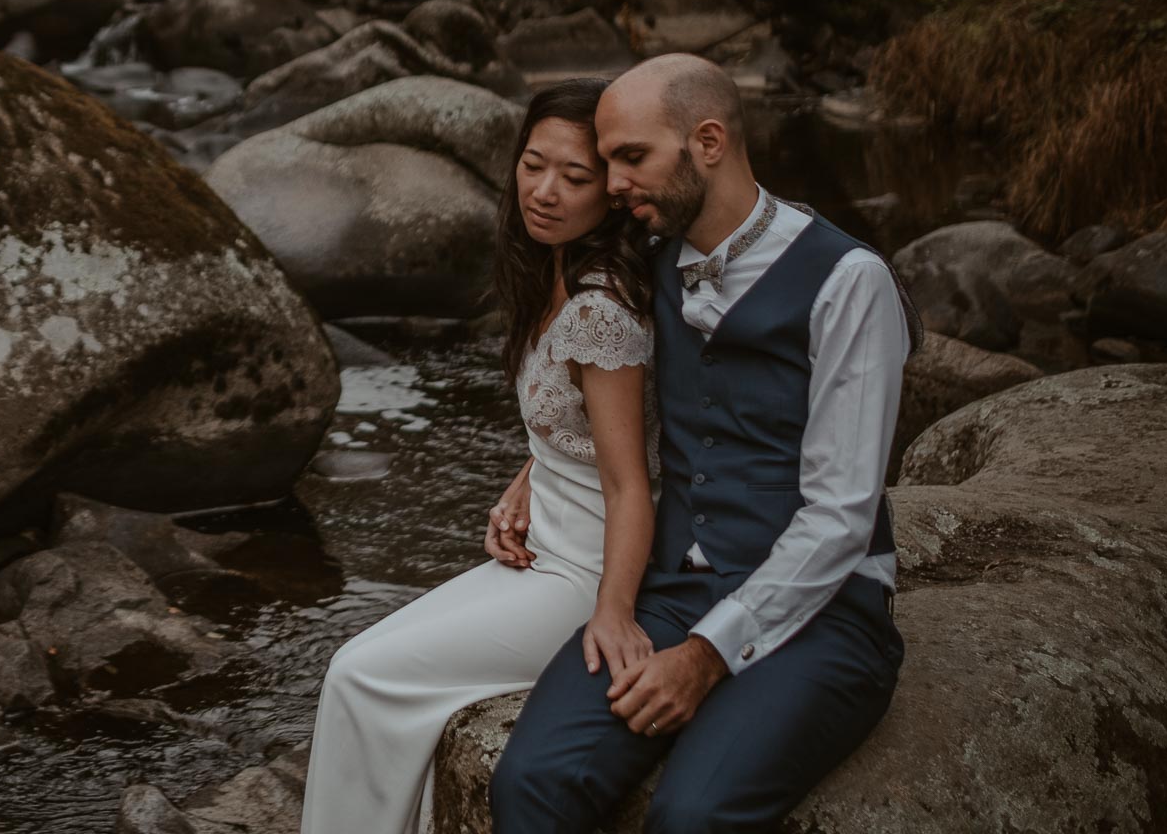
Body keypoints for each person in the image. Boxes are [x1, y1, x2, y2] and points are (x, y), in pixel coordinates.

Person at [489, 53, 915, 834]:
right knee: (530, 781)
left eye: (631, 157)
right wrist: (532, 474)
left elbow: (841, 514)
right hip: (673, 592)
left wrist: (707, 655)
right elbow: (612, 407)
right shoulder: (648, 262)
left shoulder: (848, 281)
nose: (612, 184)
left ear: (708, 142)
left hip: (827, 617)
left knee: (691, 816)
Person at [302, 78, 660, 834]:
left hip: (586, 572)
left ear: (614, 191)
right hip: (546, 544)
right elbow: (575, 430)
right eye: (534, 165)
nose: (545, 192)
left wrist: (615, 614)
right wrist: (526, 481)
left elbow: (631, 482)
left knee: (362, 677)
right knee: (357, 666)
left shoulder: (602, 309)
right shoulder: (549, 270)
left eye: (576, 177)